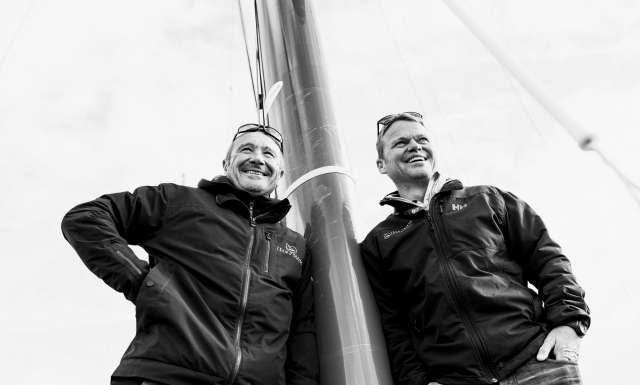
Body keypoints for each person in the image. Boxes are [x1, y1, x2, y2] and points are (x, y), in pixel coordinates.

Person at [61, 123, 318, 385]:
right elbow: (87, 218)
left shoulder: (295, 247)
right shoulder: (180, 202)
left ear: (281, 172)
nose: (257, 158)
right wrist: (142, 282)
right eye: (246, 149)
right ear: (227, 164)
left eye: (268, 153)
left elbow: (303, 332)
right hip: (167, 377)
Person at [360, 112, 590, 385]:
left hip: (536, 363)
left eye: (421, 138)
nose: (415, 145)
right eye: (401, 143)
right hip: (456, 379)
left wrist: (569, 323)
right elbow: (392, 326)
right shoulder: (379, 242)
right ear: (381, 164)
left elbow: (548, 258)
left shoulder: (488, 199)